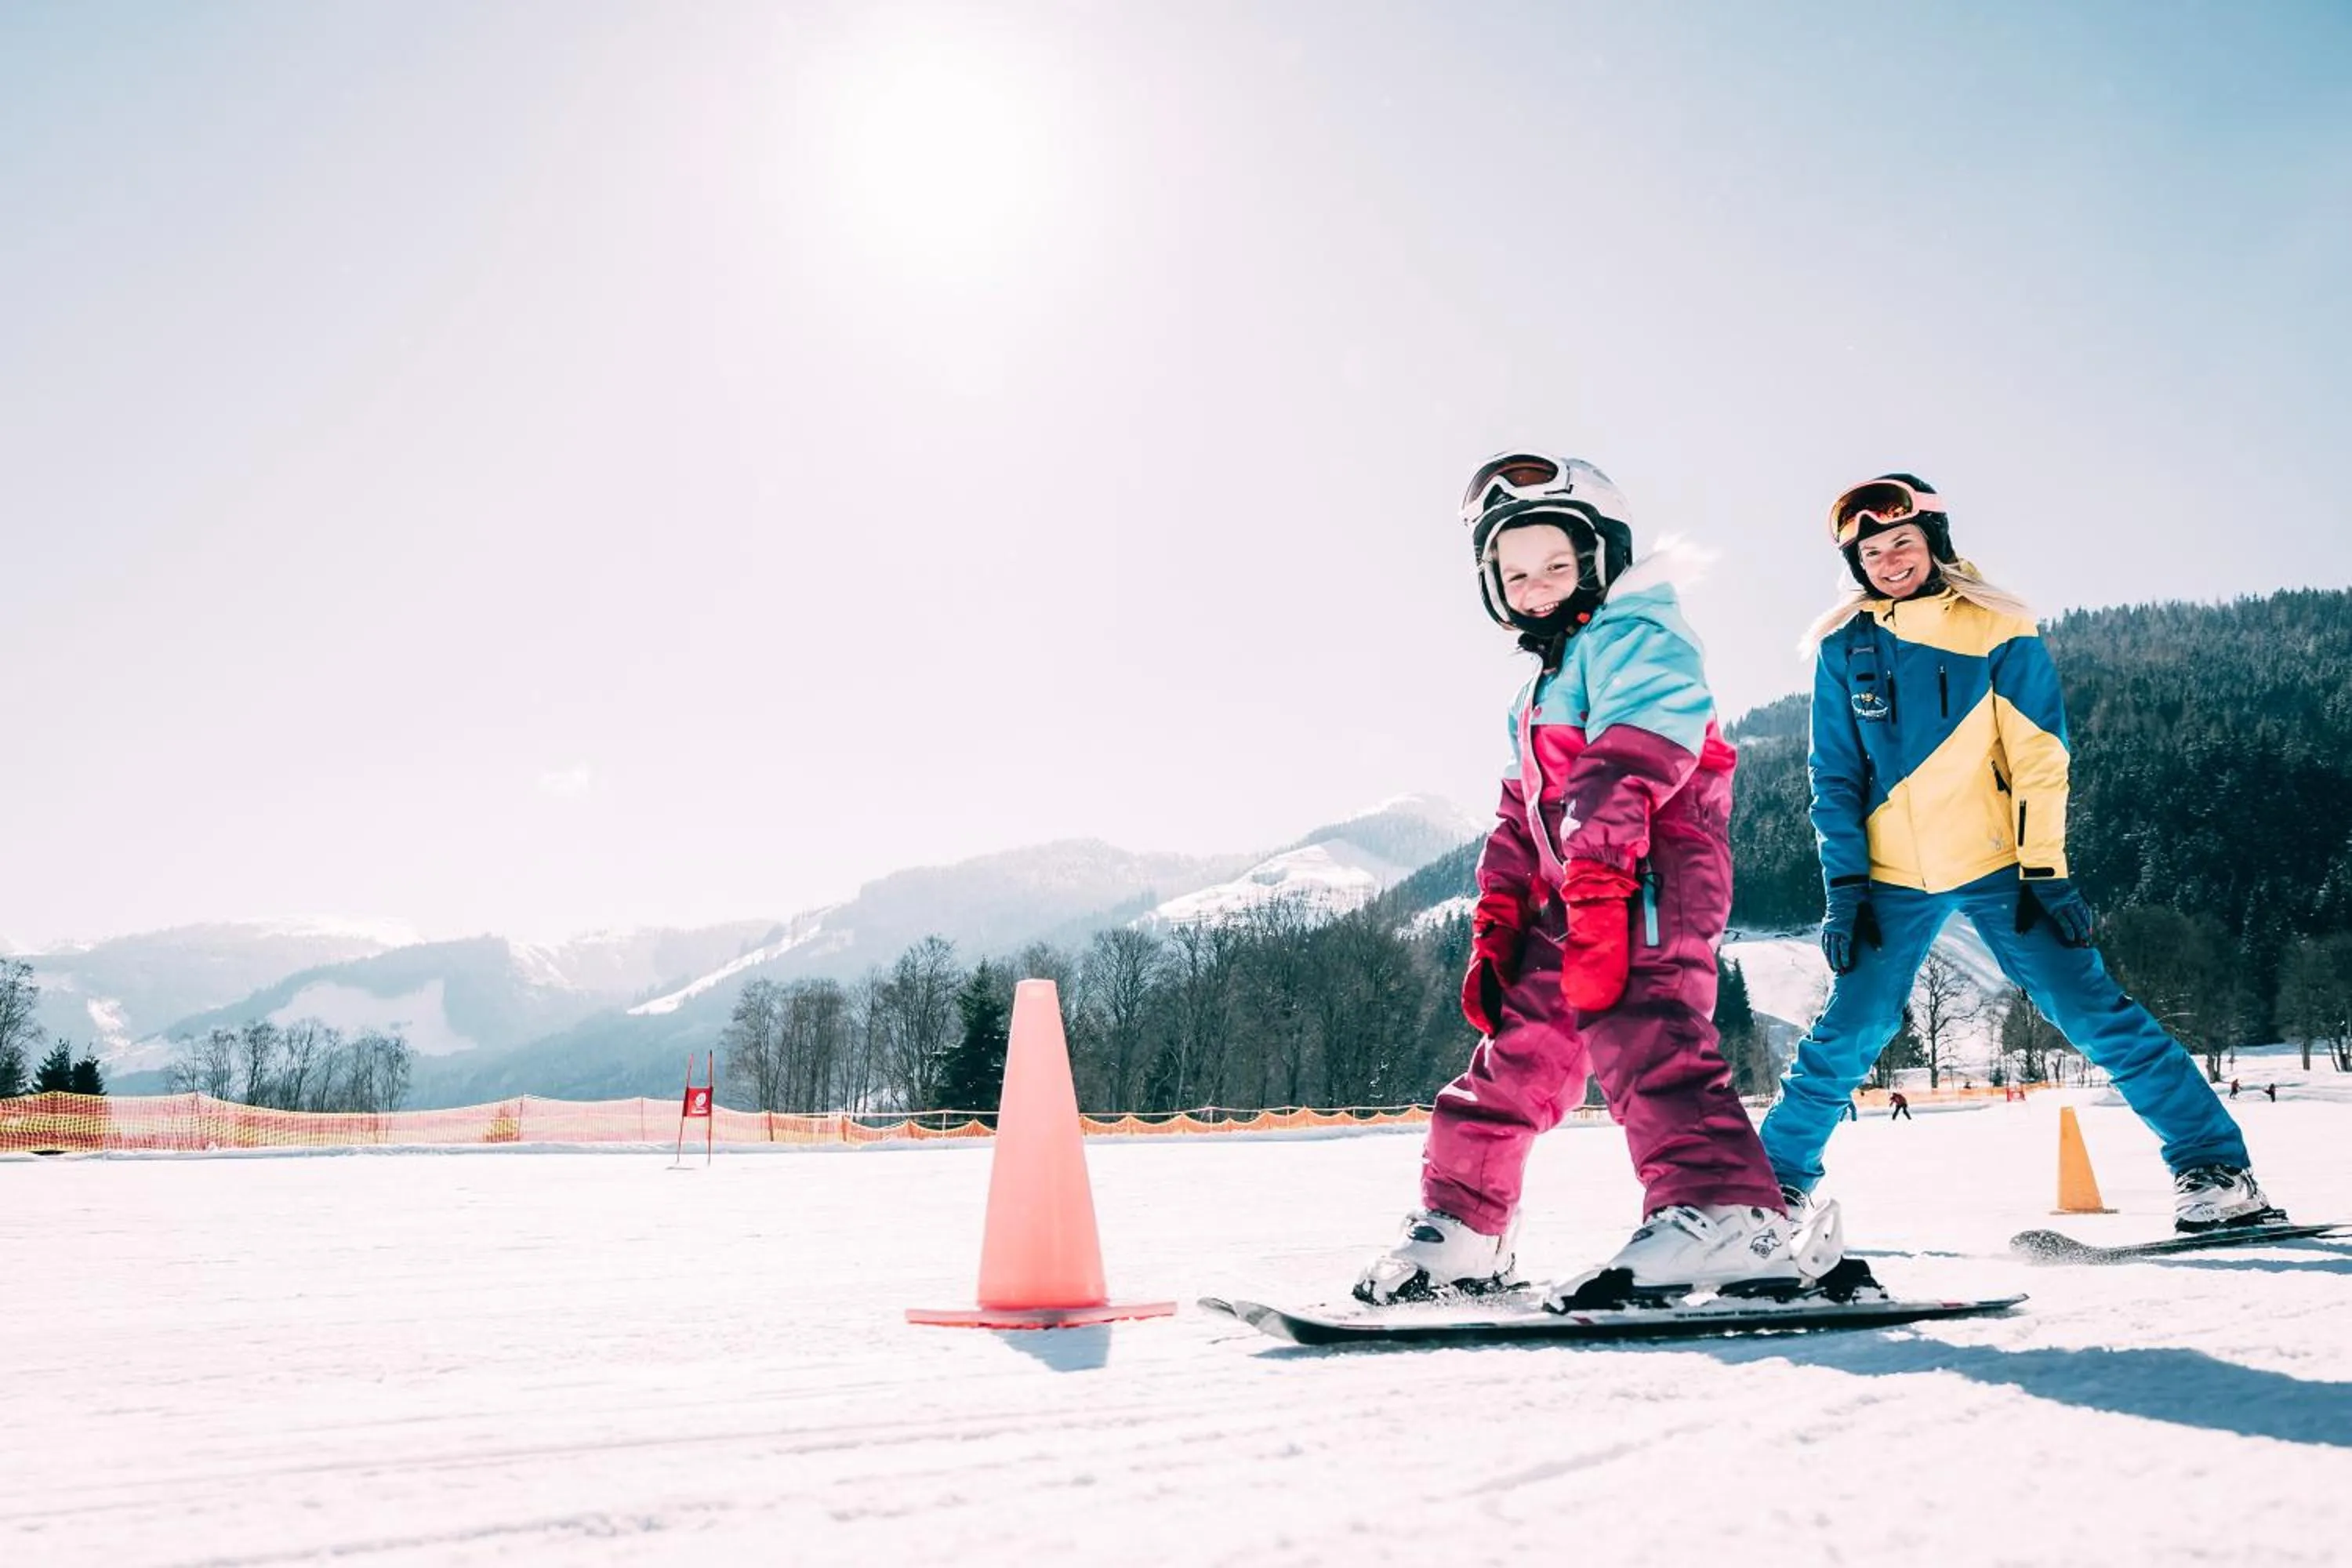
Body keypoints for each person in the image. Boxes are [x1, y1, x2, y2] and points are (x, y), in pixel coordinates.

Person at [1759, 474, 2284, 1234]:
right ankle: (1770, 1192)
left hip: (2002, 866)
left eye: (1902, 541)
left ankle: (2216, 1169)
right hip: (1891, 879)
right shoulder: (1843, 648)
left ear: (1934, 542)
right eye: (1871, 551)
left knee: (2093, 1012)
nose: (1889, 558)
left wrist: (2046, 868)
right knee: (1847, 1034)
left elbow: (2040, 758)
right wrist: (1846, 886)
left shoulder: (1996, 627)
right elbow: (1833, 776)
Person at [1357, 453, 1802, 1309]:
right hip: (1579, 893)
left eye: (1556, 564)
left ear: (1601, 559)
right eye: (1515, 571)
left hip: (1651, 873)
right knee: (1517, 1055)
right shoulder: (1540, 685)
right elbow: (1520, 808)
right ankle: (1465, 1225)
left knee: (1651, 1029)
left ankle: (1725, 1212)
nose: (1535, 585)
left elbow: (1631, 757)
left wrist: (1601, 879)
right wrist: (1499, 912)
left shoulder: (1639, 632)